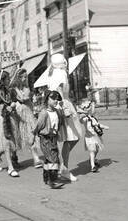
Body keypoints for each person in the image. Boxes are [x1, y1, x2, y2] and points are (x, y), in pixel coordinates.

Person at [47, 54, 82, 182]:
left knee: (70, 138)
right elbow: (59, 91)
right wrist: (65, 108)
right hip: (63, 106)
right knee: (73, 137)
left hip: (60, 106)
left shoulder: (52, 73)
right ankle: (64, 169)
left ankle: (63, 168)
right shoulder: (60, 73)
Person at [0, 70, 21, 177]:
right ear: (2, 80)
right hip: (0, 119)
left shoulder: (8, 91)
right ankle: (10, 168)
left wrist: (12, 105)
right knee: (6, 142)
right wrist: (2, 107)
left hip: (9, 117)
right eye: (7, 78)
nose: (9, 80)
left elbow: (12, 101)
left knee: (8, 142)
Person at [32, 91, 65, 189]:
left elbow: (60, 122)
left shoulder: (57, 111)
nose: (55, 101)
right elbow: (39, 125)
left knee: (49, 158)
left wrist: (63, 112)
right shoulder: (44, 113)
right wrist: (33, 134)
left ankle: (46, 177)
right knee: (53, 159)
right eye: (53, 99)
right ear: (47, 99)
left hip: (53, 137)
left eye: (57, 99)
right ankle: (53, 180)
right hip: (45, 138)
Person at [11, 68, 43, 168]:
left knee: (31, 135)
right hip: (17, 114)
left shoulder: (26, 88)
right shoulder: (12, 89)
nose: (25, 79)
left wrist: (16, 89)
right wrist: (15, 89)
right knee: (16, 136)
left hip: (27, 114)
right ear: (18, 78)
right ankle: (13, 157)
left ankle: (36, 158)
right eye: (23, 77)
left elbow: (23, 98)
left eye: (26, 77)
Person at [77, 99, 109, 172]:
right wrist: (82, 114)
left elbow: (97, 125)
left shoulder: (92, 117)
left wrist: (104, 126)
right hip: (89, 137)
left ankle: (93, 160)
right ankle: (92, 166)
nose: (90, 108)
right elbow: (81, 120)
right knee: (92, 151)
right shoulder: (85, 118)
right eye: (88, 107)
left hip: (96, 136)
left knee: (96, 149)